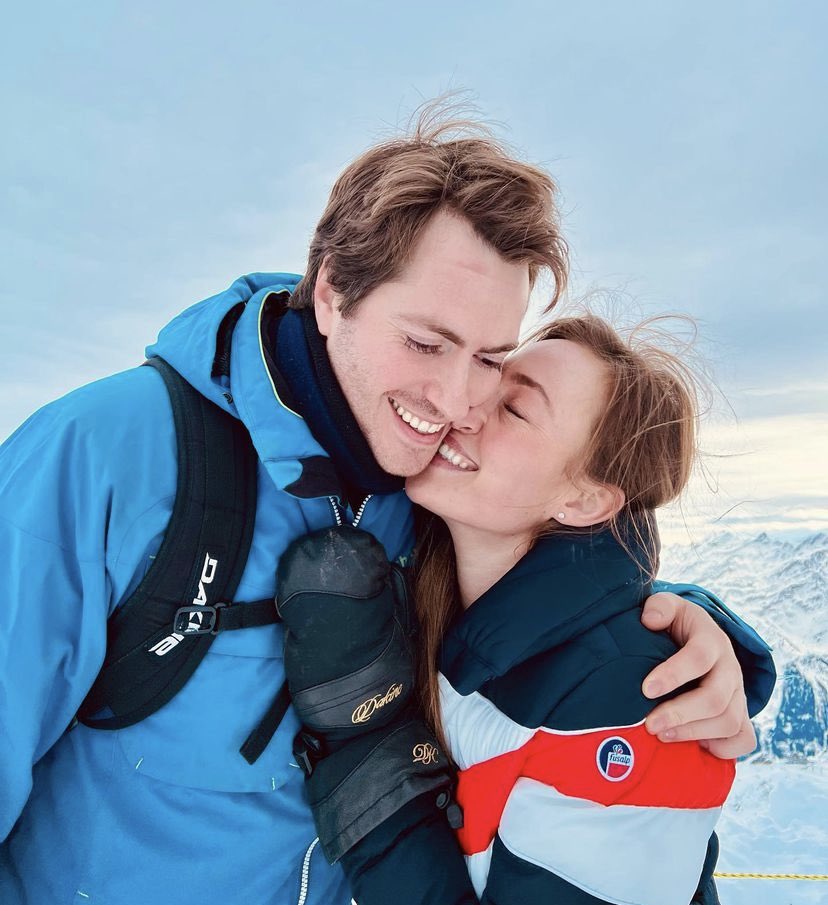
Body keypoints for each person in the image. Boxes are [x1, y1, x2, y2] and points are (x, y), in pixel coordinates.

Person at [0, 113, 771, 905]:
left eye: (490, 359)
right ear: (332, 290)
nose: (460, 402)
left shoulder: (428, 491)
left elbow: (552, 588)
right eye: (427, 344)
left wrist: (692, 633)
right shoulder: (107, 459)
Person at [279, 315, 774, 905]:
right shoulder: (443, 592)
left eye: (514, 410)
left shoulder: (631, 703)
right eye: (489, 379)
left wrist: (361, 739)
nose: (463, 407)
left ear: (584, 501)